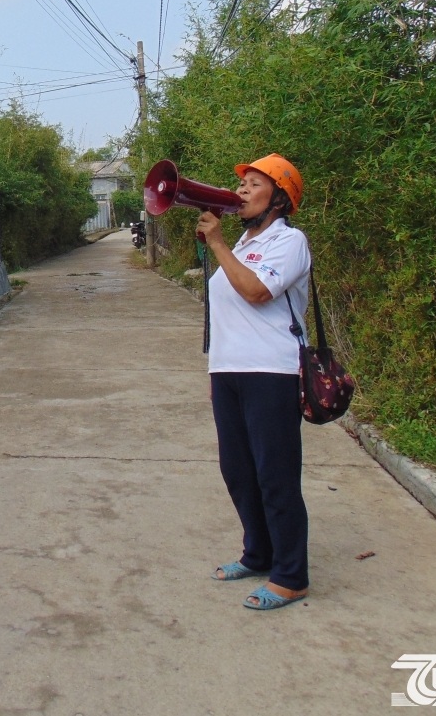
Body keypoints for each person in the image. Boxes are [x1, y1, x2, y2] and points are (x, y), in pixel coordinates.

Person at [195, 153, 311, 611]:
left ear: (279, 199)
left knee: (275, 475)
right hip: (230, 372)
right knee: (238, 472)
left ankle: (291, 575)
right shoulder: (240, 242)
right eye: (241, 183)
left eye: (255, 184)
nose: (240, 190)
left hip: (272, 372)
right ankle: (258, 554)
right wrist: (216, 372)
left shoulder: (290, 241)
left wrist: (219, 244)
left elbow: (258, 292)